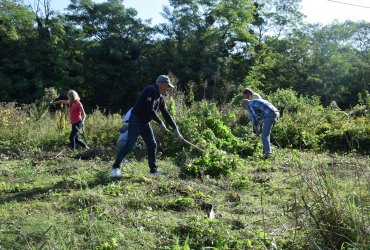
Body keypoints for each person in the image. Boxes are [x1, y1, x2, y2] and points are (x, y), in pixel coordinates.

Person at [111, 75, 183, 177]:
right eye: (168, 86)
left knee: (152, 144)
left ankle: (153, 171)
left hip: (145, 123)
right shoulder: (150, 90)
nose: (168, 89)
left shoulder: (160, 98)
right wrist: (160, 123)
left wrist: (176, 129)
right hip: (136, 120)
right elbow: (150, 110)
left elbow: (166, 114)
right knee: (130, 144)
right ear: (161, 84)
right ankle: (115, 168)